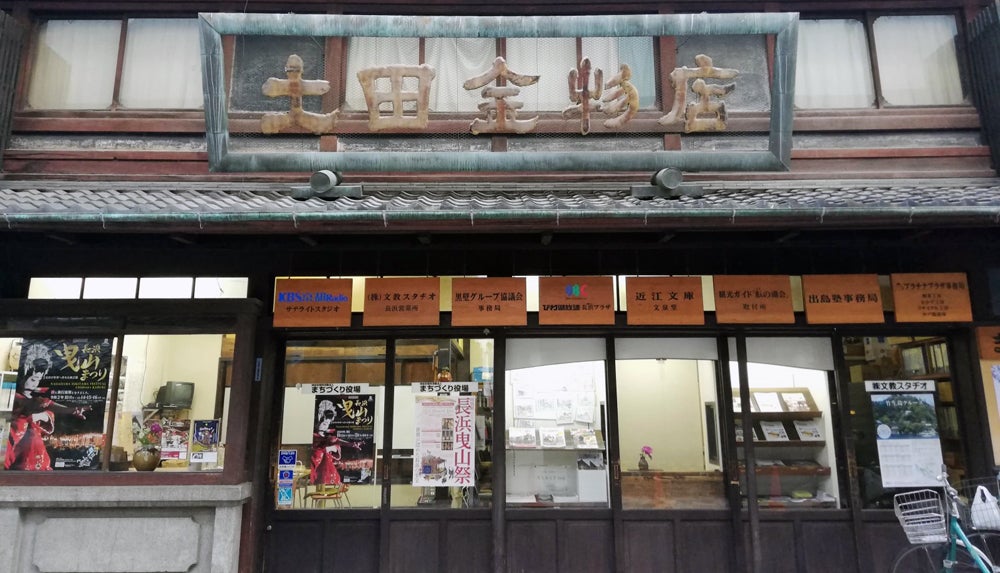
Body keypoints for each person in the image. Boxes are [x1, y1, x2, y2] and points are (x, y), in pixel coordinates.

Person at [5, 358, 90, 471]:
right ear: (22, 377)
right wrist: (35, 416)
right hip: (18, 446)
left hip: (35, 446)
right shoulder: (15, 398)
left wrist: (72, 410)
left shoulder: (37, 400)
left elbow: (50, 405)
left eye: (37, 380)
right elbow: (35, 407)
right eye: (32, 379)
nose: (34, 383)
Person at [310, 407, 361, 485]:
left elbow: (338, 441)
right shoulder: (315, 436)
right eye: (322, 421)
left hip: (323, 465)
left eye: (326, 424)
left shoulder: (328, 437)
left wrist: (352, 444)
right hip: (315, 464)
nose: (323, 424)